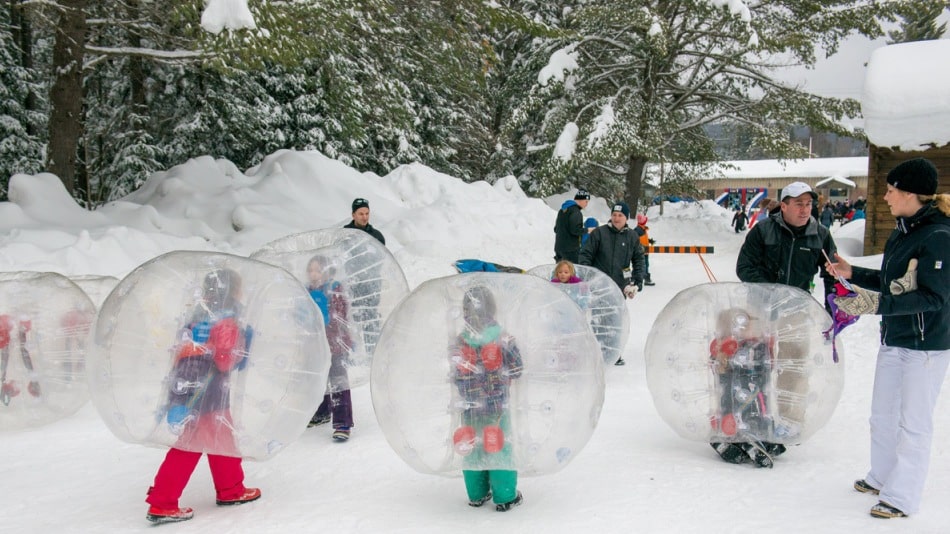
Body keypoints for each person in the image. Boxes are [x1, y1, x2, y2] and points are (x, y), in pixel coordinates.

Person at [826, 157, 950, 519]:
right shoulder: (904, 230)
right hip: (894, 339)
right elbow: (893, 283)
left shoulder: (940, 237)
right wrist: (854, 273)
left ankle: (902, 496)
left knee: (913, 423)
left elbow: (934, 297)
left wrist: (877, 304)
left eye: (891, 190)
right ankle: (881, 476)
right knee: (881, 415)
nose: (884, 196)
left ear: (911, 194)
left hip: (925, 347)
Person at [721, 181, 836, 467]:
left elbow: (832, 274)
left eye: (808, 204)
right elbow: (744, 267)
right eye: (798, 204)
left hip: (796, 312)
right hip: (759, 308)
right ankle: (749, 419)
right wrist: (771, 292)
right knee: (753, 365)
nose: (804, 209)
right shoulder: (762, 231)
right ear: (783, 205)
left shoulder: (820, 234)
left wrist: (833, 307)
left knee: (793, 366)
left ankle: (787, 422)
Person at [145, 269, 260, 524]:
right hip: (209, 391)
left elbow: (184, 350)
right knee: (189, 447)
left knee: (222, 439)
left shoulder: (197, 315)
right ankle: (162, 501)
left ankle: (231, 488)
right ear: (231, 292)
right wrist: (244, 345)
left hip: (192, 387)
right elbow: (224, 361)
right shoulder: (228, 320)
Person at [450, 286, 524, 512]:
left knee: (472, 444)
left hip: (470, 406)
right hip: (496, 405)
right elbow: (517, 368)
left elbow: (453, 371)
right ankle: (504, 496)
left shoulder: (460, 340)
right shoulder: (503, 337)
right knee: (499, 445)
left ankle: (477, 493)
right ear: (492, 308)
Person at [579, 201, 646, 366]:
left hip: (619, 286)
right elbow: (585, 255)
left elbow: (639, 259)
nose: (616, 218)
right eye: (614, 215)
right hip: (598, 285)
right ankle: (598, 351)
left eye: (620, 215)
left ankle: (614, 352)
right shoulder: (599, 233)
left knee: (615, 319)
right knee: (597, 318)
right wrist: (587, 277)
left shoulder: (632, 236)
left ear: (626, 218)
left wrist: (637, 281)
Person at [305, 255, 355, 441]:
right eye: (310, 270)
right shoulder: (306, 291)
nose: (313, 274)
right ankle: (322, 412)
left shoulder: (335, 290)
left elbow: (341, 317)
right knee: (318, 380)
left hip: (335, 345)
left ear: (327, 272)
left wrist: (327, 317)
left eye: (317, 270)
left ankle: (343, 422)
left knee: (338, 381)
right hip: (315, 345)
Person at [344, 198, 385, 354]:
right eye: (361, 213)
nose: (364, 217)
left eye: (367, 213)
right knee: (350, 317)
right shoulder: (345, 235)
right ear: (353, 214)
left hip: (372, 284)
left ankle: (371, 353)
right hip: (352, 283)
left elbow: (382, 260)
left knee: (370, 316)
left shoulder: (377, 236)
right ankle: (351, 352)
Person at [553, 189, 590, 263]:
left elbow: (556, 229)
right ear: (581, 200)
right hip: (571, 250)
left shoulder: (562, 210)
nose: (587, 204)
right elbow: (575, 230)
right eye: (586, 201)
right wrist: (588, 230)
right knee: (571, 272)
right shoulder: (576, 212)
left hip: (559, 248)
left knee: (560, 272)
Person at [634, 214, 656, 286]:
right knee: (642, 265)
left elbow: (643, 239)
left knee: (646, 264)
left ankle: (643, 278)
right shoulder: (637, 230)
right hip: (641, 252)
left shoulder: (643, 229)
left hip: (645, 252)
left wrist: (649, 241)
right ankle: (645, 279)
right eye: (645, 221)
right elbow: (636, 240)